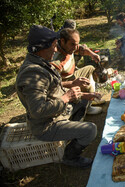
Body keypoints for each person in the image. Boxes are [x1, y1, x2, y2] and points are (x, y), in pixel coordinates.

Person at [16, 25, 101, 168]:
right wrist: (66, 97)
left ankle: (72, 133)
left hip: (57, 112)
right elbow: (38, 110)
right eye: (54, 46)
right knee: (90, 130)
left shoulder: (40, 62)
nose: (56, 50)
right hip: (46, 124)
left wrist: (84, 94)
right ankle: (70, 157)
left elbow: (53, 88)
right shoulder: (32, 74)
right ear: (41, 48)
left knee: (82, 102)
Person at [52, 28, 105, 115]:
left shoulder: (69, 47)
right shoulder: (56, 61)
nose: (75, 47)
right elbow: (54, 85)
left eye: (76, 44)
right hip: (64, 82)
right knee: (87, 85)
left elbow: (81, 49)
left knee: (90, 68)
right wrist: (73, 83)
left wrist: (92, 54)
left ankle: (92, 98)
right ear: (62, 41)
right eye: (73, 44)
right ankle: (87, 107)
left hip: (72, 75)